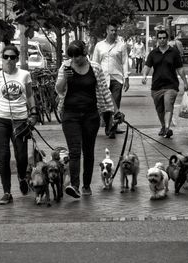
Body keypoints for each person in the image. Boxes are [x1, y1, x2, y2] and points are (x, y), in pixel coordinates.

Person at [55, 40, 120, 198]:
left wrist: (115, 111)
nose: (75, 58)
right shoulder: (65, 67)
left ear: (85, 53)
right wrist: (65, 77)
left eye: (78, 55)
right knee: (75, 151)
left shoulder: (95, 68)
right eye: (72, 55)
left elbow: (104, 90)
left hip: (91, 115)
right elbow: (58, 89)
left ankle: (86, 185)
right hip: (70, 115)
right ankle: (75, 186)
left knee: (88, 151)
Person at [0, 45, 38, 205]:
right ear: (2, 58)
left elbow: (30, 95)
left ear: (17, 59)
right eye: (6, 57)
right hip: (1, 120)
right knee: (4, 156)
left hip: (20, 121)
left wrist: (33, 112)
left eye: (12, 57)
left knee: (21, 157)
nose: (9, 60)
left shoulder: (25, 75)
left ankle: (21, 177)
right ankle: (7, 192)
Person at [141, 30, 188, 139]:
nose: (162, 40)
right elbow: (147, 66)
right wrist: (144, 76)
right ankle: (163, 126)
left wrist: (185, 82)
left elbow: (180, 69)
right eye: (160, 38)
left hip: (171, 85)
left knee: (168, 106)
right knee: (160, 110)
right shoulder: (153, 53)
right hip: (156, 87)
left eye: (164, 38)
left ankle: (167, 128)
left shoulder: (174, 53)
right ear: (157, 39)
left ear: (167, 39)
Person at [92, 18, 129, 139]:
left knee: (115, 103)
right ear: (107, 31)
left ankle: (112, 129)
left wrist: (126, 77)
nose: (114, 32)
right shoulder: (99, 46)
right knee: (105, 105)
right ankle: (109, 126)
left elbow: (124, 62)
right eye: (112, 30)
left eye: (115, 30)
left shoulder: (121, 45)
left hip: (116, 78)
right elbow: (95, 62)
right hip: (102, 80)